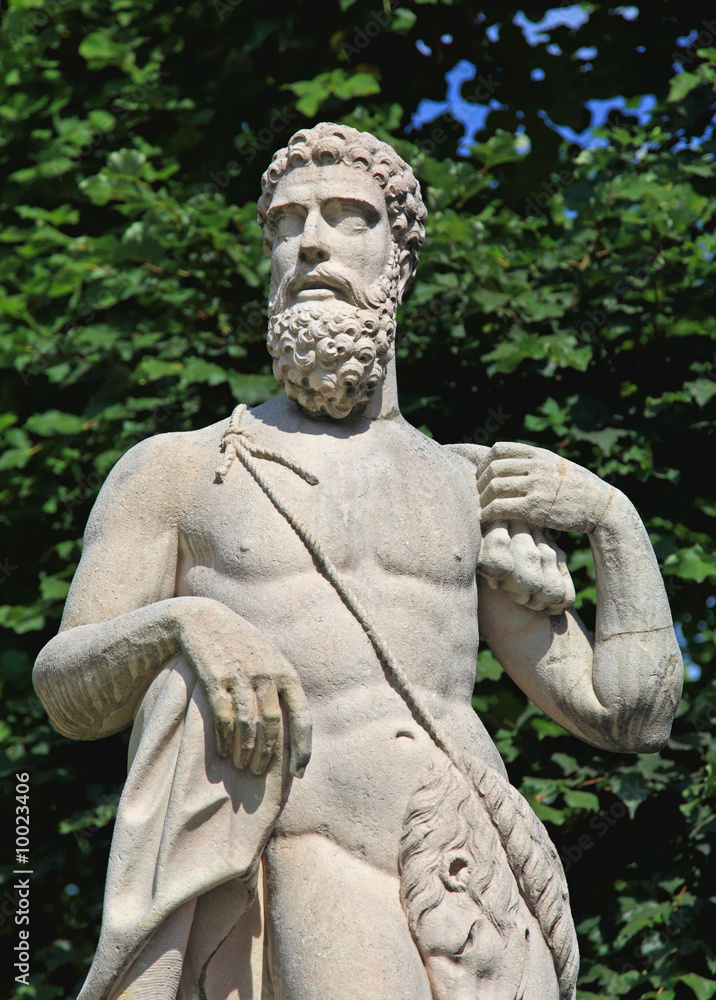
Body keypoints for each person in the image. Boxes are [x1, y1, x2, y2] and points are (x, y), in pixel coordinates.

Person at [33, 123, 682, 1000]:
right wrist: (188, 623)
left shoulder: (467, 485)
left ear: (398, 260)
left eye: (348, 217)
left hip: (482, 874)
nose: (311, 242)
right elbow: (66, 689)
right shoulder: (182, 469)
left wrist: (615, 521)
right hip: (312, 862)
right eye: (286, 223)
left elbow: (624, 718)